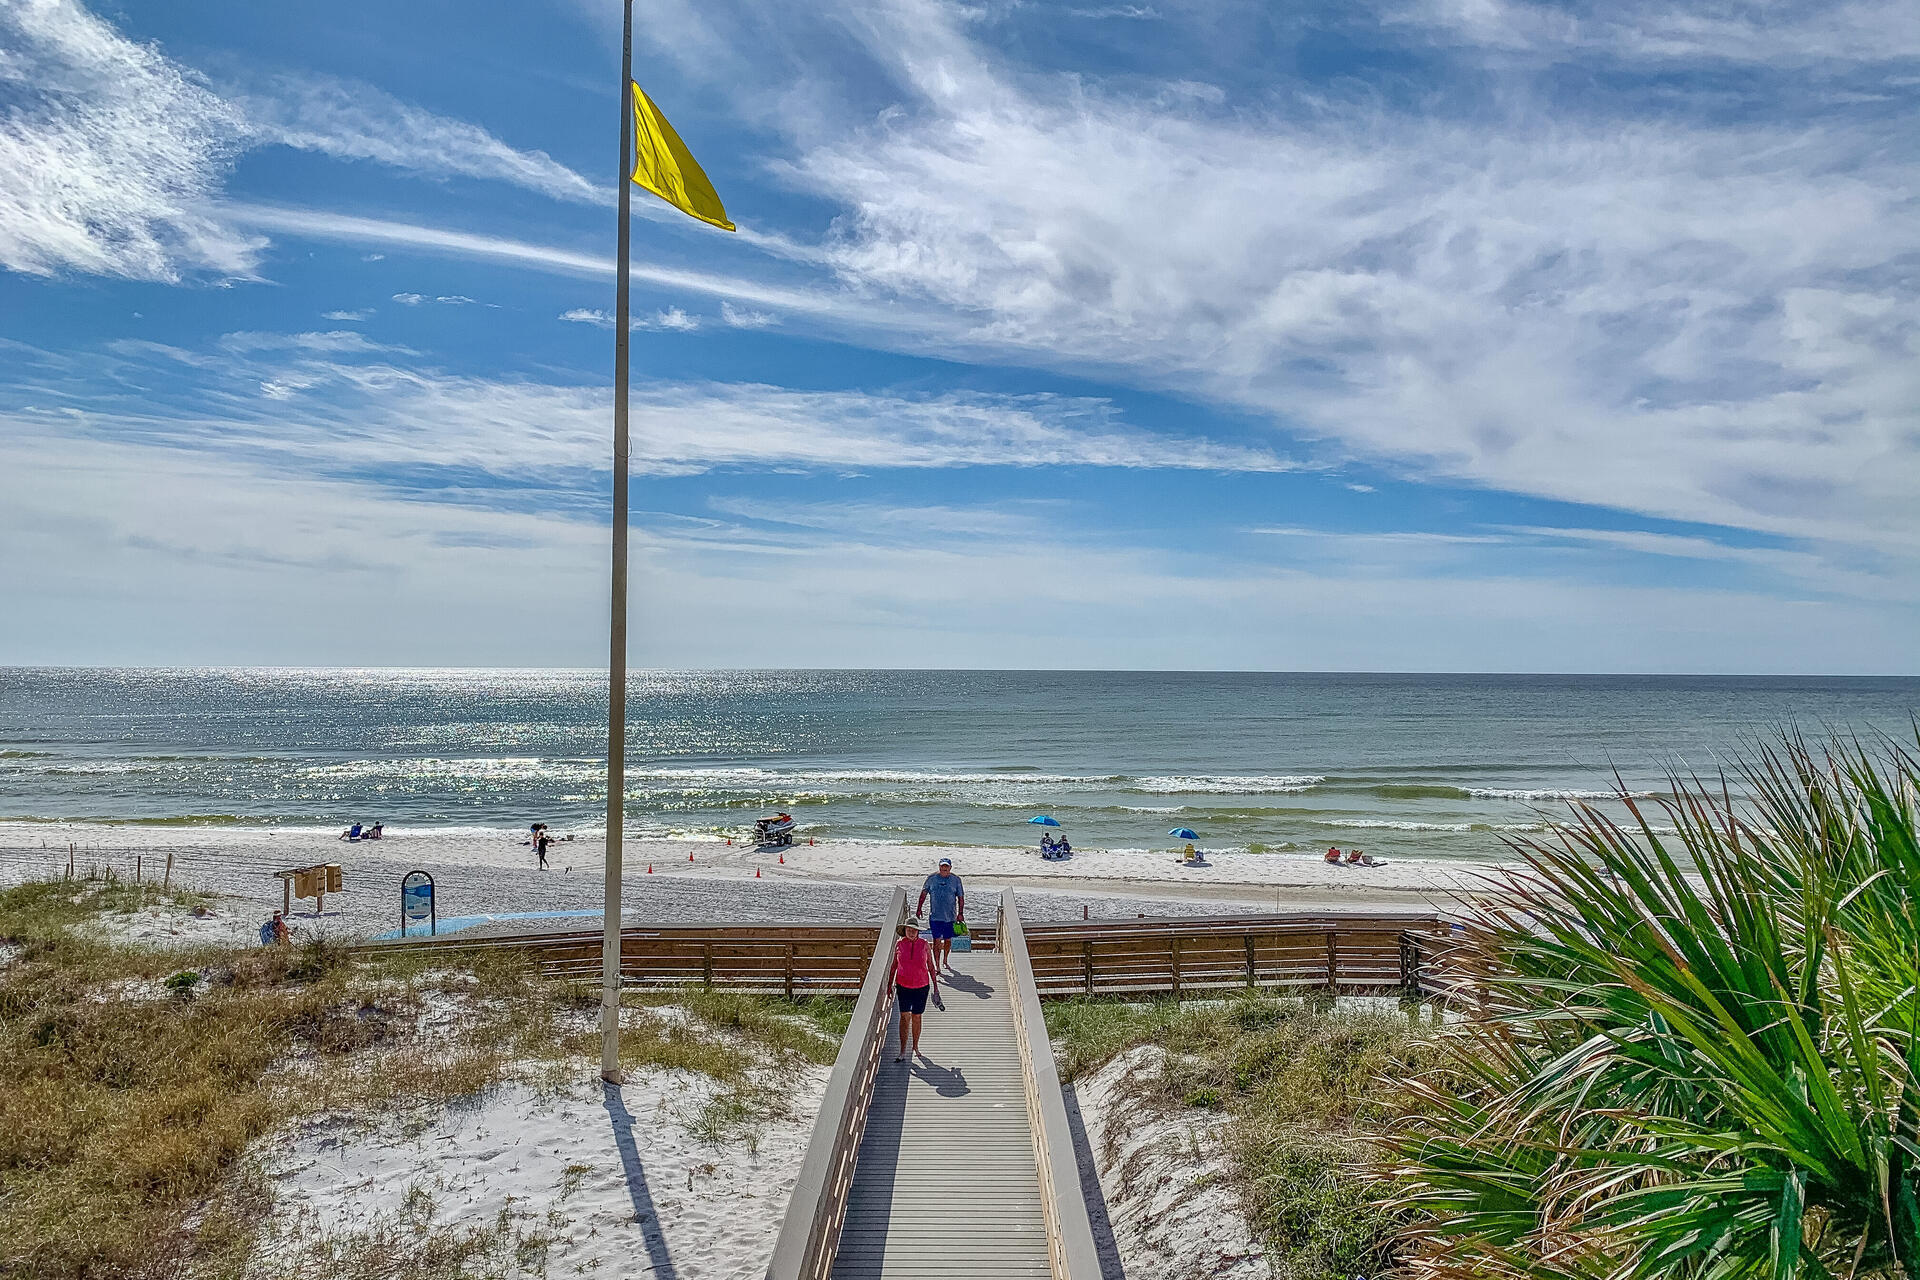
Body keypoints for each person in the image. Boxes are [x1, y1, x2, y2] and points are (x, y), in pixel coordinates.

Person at [894, 914, 938, 1060]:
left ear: (918, 931)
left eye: (914, 930)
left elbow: (931, 966)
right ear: (905, 931)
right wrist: (889, 985)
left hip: (921, 986)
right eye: (909, 930)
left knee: (917, 1016)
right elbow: (894, 965)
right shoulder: (899, 944)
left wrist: (936, 987)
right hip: (903, 985)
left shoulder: (924, 944)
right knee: (904, 1016)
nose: (911, 932)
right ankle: (902, 1050)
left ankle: (915, 1046)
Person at [916, 857, 965, 971]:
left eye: (946, 867)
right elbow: (923, 894)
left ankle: (945, 960)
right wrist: (919, 908)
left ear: (950, 868)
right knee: (936, 941)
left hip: (950, 917)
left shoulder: (956, 880)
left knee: (948, 940)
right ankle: (937, 965)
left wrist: (960, 913)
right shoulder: (931, 878)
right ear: (939, 867)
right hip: (935, 916)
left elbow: (961, 898)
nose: (944, 868)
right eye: (942, 866)